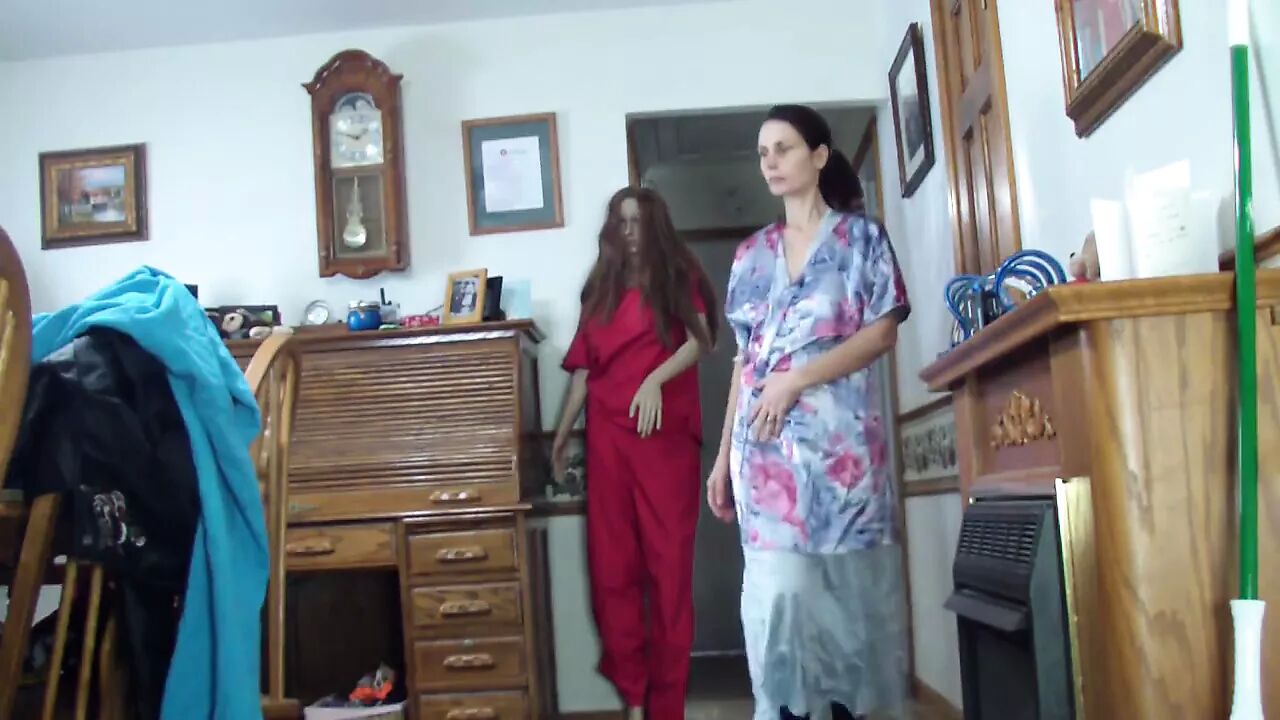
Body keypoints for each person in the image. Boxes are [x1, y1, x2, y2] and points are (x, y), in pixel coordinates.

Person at [706, 104, 911, 720]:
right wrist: (721, 458)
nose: (770, 161)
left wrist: (796, 379)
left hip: (844, 451)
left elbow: (882, 333)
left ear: (819, 156)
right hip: (764, 458)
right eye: (763, 152)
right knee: (779, 599)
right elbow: (744, 364)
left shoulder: (862, 240)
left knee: (847, 603)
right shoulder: (749, 256)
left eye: (784, 148)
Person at [552, 186, 719, 720]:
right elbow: (584, 369)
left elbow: (701, 339)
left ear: (653, 226)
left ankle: (666, 706)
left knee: (668, 575)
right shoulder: (599, 289)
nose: (628, 232)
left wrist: (654, 379)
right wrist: (561, 435)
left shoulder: (677, 276)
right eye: (620, 222)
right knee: (612, 572)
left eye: (637, 222)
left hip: (664, 441)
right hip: (607, 439)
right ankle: (633, 698)